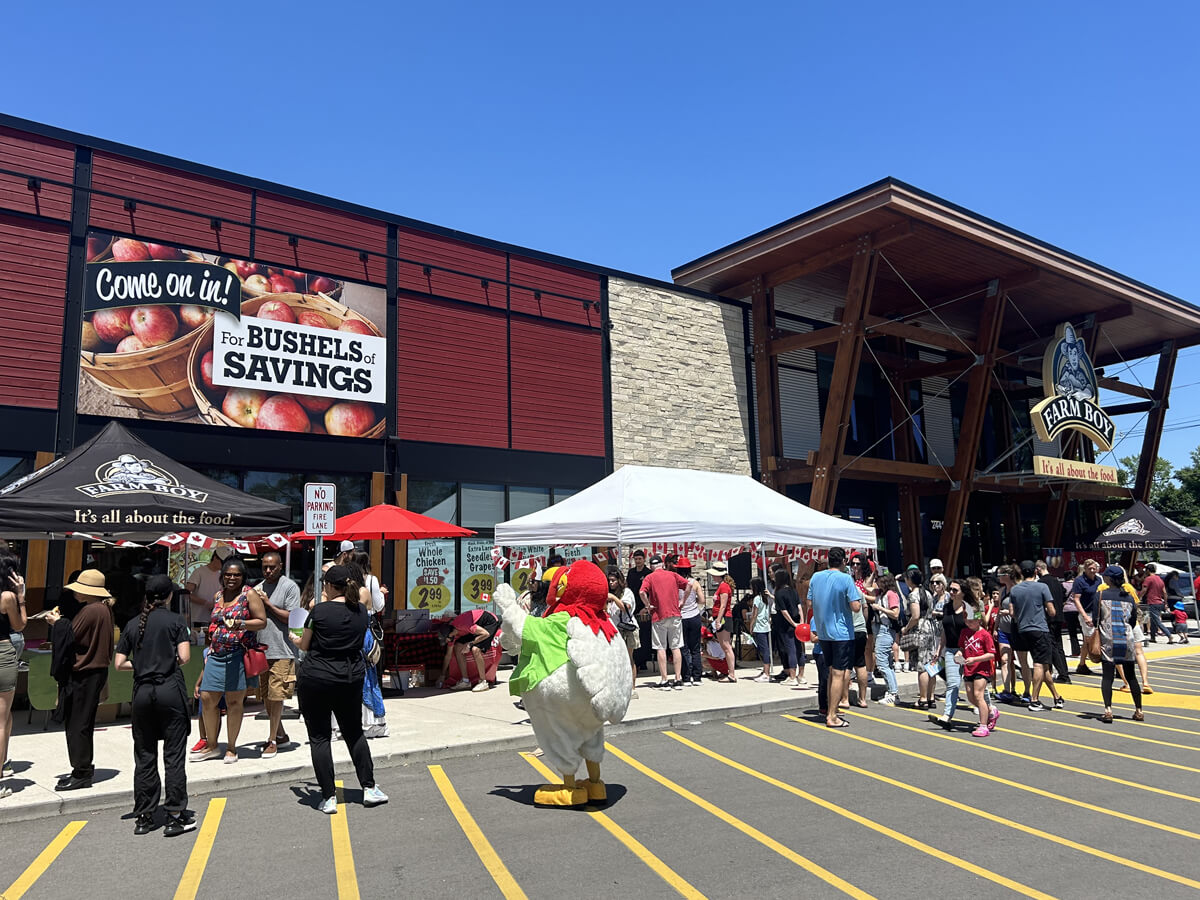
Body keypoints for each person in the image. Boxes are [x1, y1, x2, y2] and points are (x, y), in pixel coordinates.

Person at [295, 565, 387, 813]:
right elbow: (365, 600)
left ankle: (328, 796)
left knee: (319, 737)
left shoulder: (319, 611)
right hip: (349, 677)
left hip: (317, 676)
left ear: (328, 585)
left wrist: (295, 638)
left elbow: (304, 644)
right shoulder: (360, 611)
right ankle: (369, 787)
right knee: (354, 732)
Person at [114, 575, 195, 836]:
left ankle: (144, 816)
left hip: (142, 692)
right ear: (169, 596)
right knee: (173, 756)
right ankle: (174, 815)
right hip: (169, 689)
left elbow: (119, 663)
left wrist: (143, 664)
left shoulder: (133, 623)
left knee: (145, 755)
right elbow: (184, 657)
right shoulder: (176, 621)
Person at [196, 558, 266, 764]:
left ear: (243, 576)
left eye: (236, 575)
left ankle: (232, 748)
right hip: (216, 654)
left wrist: (241, 623)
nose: (232, 578)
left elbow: (262, 622)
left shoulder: (249, 594)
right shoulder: (218, 595)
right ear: (222, 576)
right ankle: (211, 745)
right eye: (228, 574)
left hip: (237, 655)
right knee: (208, 698)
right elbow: (214, 624)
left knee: (235, 702)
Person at [57, 569, 115, 790]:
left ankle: (81, 771)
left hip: (85, 672)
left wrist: (57, 623)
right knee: (82, 722)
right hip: (94, 671)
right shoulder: (102, 609)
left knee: (77, 723)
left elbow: (70, 634)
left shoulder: (92, 610)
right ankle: (81, 769)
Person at [251, 550, 300, 758]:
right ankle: (280, 735)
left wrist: (268, 605)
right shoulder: (257, 589)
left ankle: (272, 740)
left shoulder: (290, 587)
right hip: (261, 650)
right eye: (265, 567)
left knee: (277, 695)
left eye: (272, 567)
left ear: (280, 566)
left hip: (282, 650)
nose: (268, 571)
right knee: (266, 697)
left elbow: (292, 618)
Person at [808, 548, 861, 728]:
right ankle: (832, 715)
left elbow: (809, 602)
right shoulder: (846, 578)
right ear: (844, 561)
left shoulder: (816, 577)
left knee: (832, 672)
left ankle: (832, 710)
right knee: (839, 673)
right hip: (841, 632)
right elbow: (855, 607)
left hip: (823, 631)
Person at [1009, 560, 1063, 712]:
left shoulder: (1015, 590)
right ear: (1035, 572)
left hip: (1023, 629)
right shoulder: (1042, 587)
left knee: (1044, 666)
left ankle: (1057, 696)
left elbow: (1012, 613)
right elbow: (1052, 611)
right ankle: (1034, 700)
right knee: (1039, 664)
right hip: (1039, 628)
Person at [1096, 565, 1144, 724]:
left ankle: (1108, 710)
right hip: (1126, 639)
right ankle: (1138, 710)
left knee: (1107, 676)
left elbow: (1096, 618)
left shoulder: (1101, 595)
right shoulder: (1129, 597)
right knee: (1131, 676)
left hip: (1108, 639)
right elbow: (1132, 620)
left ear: (1108, 579)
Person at [0, 552, 26, 800]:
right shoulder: (7, 596)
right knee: (2, 718)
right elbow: (20, 625)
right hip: (1, 650)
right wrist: (21, 596)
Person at [639, 562, 689, 690]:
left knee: (660, 648)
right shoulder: (673, 575)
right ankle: (678, 679)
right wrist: (683, 601)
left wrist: (647, 605)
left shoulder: (649, 577)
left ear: (651, 566)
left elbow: (641, 593)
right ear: (663, 565)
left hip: (658, 615)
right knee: (676, 646)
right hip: (675, 613)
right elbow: (689, 585)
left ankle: (664, 679)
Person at [930, 579, 969, 728]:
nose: (951, 592)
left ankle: (988, 709)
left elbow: (978, 630)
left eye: (955, 590)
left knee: (975, 685)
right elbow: (945, 630)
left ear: (963, 593)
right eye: (950, 589)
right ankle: (947, 715)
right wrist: (939, 649)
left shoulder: (970, 609)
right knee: (953, 683)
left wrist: (965, 650)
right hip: (951, 651)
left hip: (969, 652)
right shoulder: (947, 608)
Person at [957, 601, 999, 737]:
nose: (968, 623)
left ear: (978, 620)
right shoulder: (964, 632)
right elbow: (962, 648)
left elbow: (991, 654)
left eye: (971, 621)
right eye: (966, 621)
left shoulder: (985, 635)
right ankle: (990, 710)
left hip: (981, 668)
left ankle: (983, 725)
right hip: (968, 668)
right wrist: (959, 655)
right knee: (970, 696)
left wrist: (975, 659)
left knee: (978, 695)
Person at [448, 607, 501, 691]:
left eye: (450, 637)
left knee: (475, 649)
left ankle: (483, 682)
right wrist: (442, 675)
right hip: (476, 624)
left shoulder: (463, 625)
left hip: (489, 622)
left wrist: (469, 644)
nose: (450, 639)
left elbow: (485, 634)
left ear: (452, 632)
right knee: (457, 646)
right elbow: (447, 655)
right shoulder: (452, 633)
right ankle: (465, 681)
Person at [1036, 560, 1071, 684]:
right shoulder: (1056, 581)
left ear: (1038, 569)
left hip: (1048, 617)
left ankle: (1062, 674)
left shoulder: (1041, 583)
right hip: (1059, 616)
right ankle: (1063, 672)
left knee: (1051, 645)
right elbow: (1064, 594)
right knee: (1058, 645)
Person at [606, 567, 640, 697]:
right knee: (617, 659)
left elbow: (626, 608)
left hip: (628, 628)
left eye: (613, 580)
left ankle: (632, 687)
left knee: (629, 658)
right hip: (615, 628)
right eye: (609, 581)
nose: (611, 583)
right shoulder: (610, 594)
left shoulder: (627, 592)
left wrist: (614, 598)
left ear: (619, 581)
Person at [185, 547, 232, 640]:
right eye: (222, 563)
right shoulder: (199, 572)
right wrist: (205, 603)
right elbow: (186, 594)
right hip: (198, 619)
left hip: (215, 620)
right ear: (215, 558)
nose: (223, 566)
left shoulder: (221, 575)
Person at [870, 572, 901, 706]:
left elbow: (895, 613)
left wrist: (880, 608)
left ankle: (892, 693)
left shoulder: (891, 594)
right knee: (887, 663)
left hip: (886, 629)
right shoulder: (880, 593)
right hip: (880, 629)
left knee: (882, 663)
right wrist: (873, 573)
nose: (877, 582)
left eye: (879, 580)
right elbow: (866, 587)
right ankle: (892, 692)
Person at [1069, 559, 1102, 676]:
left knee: (1088, 640)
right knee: (1090, 639)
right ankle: (1096, 659)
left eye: (1094, 568)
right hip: (1087, 613)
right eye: (1090, 569)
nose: (1092, 571)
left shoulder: (1099, 580)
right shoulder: (1079, 581)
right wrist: (1084, 616)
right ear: (1085, 569)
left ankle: (1082, 664)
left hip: (1099, 612)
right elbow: (1076, 599)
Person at [771, 568, 803, 687]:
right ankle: (801, 675)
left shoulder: (779, 593)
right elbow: (799, 607)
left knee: (791, 650)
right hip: (797, 622)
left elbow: (784, 611)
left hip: (786, 626)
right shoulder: (793, 591)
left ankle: (792, 676)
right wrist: (801, 621)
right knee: (799, 649)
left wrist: (792, 624)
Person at [676, 558, 705, 686]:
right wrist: (693, 602)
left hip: (681, 617)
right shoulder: (695, 583)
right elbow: (703, 600)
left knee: (684, 648)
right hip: (694, 616)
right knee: (696, 648)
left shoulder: (676, 582)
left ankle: (686, 677)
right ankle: (697, 677)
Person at [708, 562, 738, 683]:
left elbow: (723, 605)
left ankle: (731, 673)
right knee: (725, 646)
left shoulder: (724, 586)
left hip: (724, 617)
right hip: (721, 617)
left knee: (726, 646)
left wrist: (718, 620)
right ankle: (729, 672)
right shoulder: (722, 586)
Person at [1140, 563, 1173, 643]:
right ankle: (1153, 637)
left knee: (1156, 621)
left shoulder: (1148, 579)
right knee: (1153, 620)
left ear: (1148, 570)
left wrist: (1138, 597)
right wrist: (1165, 603)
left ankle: (1169, 635)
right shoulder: (1159, 579)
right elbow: (1164, 592)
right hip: (1159, 602)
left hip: (1152, 602)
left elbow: (1144, 590)